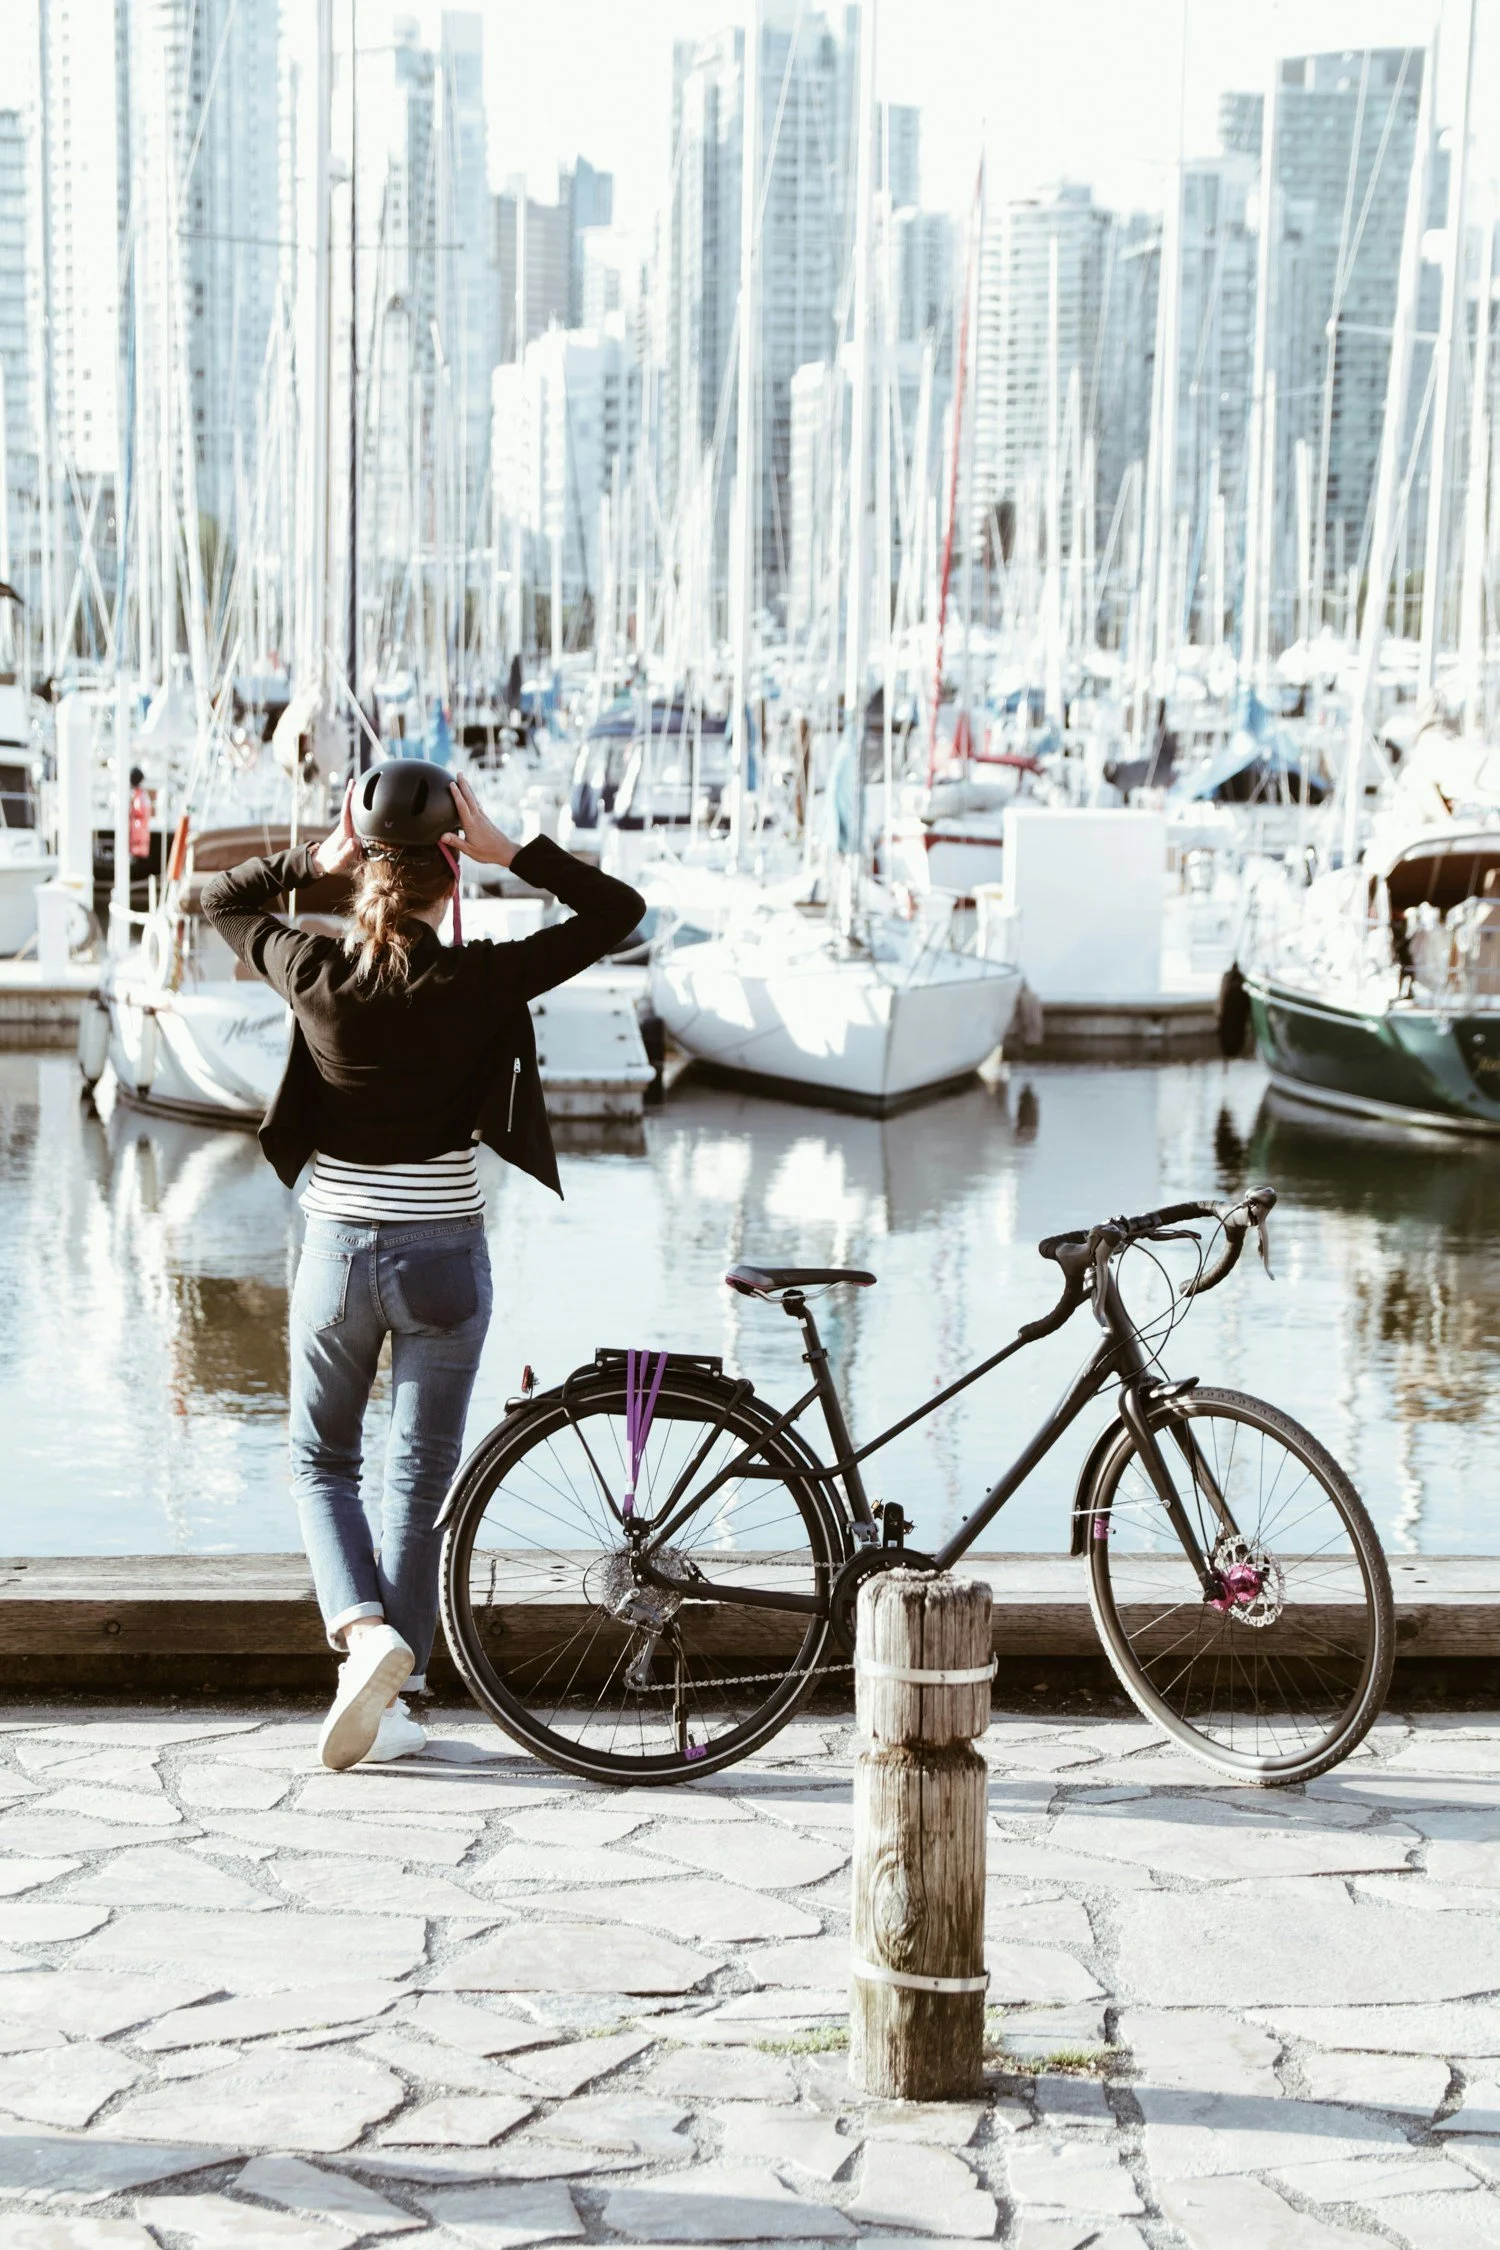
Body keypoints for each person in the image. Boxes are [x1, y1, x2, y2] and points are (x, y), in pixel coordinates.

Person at [202, 766, 645, 1770]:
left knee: (321, 1462)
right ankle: (400, 1700)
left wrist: (314, 859)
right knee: (419, 1477)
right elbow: (619, 911)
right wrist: (513, 853)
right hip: (447, 1253)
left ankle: (363, 1636)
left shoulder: (311, 969)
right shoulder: (481, 978)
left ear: (361, 868)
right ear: (450, 872)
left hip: (343, 1256)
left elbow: (220, 899)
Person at [128, 766, 153, 901]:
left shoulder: (139, 796)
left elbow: (139, 812)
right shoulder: (141, 795)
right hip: (139, 840)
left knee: (137, 868)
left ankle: (134, 892)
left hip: (138, 842)